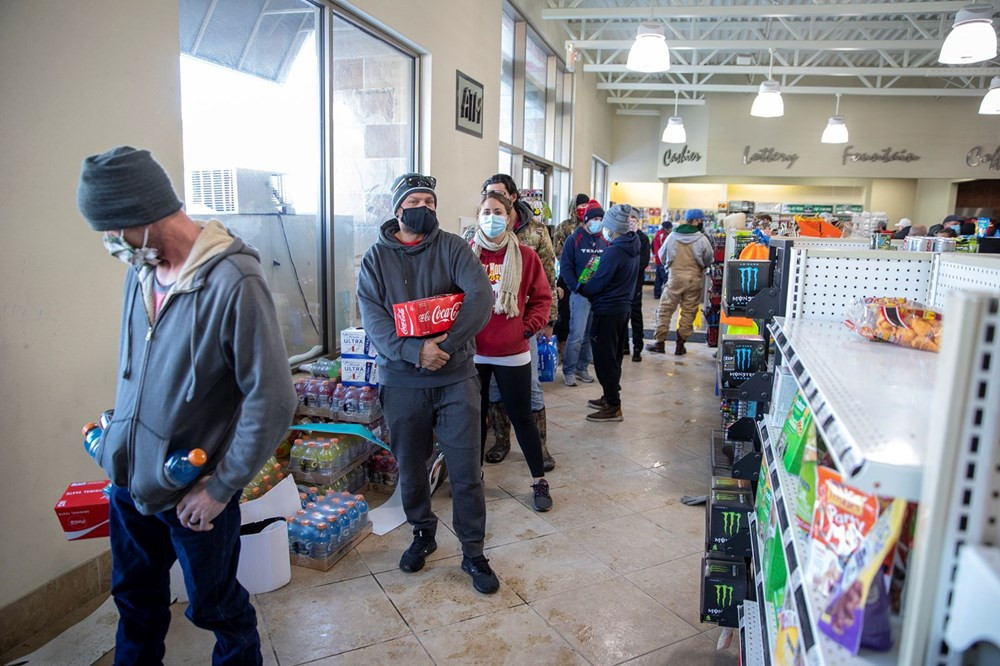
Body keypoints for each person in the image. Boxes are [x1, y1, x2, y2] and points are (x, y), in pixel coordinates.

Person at [76, 146, 297, 664]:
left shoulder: (233, 282)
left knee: (217, 608)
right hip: (130, 484)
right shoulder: (142, 271)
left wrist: (220, 488)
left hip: (191, 492)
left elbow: (272, 396)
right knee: (136, 603)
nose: (111, 244)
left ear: (143, 215)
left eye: (113, 231)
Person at [357, 173, 500, 594]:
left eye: (431, 202)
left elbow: (481, 299)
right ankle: (423, 533)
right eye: (416, 200)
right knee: (412, 468)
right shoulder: (375, 259)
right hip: (402, 382)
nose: (425, 208)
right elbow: (373, 318)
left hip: (456, 378)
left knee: (465, 471)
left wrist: (449, 344)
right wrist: (413, 352)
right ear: (398, 208)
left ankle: (473, 552)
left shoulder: (454, 248)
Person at [470, 191, 554, 511]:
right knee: (475, 418)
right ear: (478, 216)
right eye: (486, 211)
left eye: (498, 212)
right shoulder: (467, 254)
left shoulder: (526, 256)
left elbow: (541, 298)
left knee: (522, 418)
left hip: (512, 351)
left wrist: (527, 327)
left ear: (509, 217)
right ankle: (473, 478)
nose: (492, 217)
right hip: (474, 352)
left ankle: (539, 480)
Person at [577, 205, 640, 422]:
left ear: (613, 227)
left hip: (607, 310)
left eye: (605, 225)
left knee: (604, 360)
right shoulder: (633, 244)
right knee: (613, 357)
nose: (602, 229)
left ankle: (613, 406)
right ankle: (609, 396)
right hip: (622, 309)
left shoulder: (614, 251)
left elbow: (600, 282)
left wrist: (583, 288)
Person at [646, 208, 715, 356]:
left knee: (665, 309)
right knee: (688, 312)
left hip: (674, 278)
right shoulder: (702, 239)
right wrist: (701, 266)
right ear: (696, 221)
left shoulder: (672, 236)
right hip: (694, 279)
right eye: (701, 220)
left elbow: (661, 254)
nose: (702, 223)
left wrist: (668, 267)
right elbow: (709, 258)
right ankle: (680, 344)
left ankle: (660, 342)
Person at [560, 201, 609, 386]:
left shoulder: (603, 241)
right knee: (577, 334)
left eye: (600, 219)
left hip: (597, 296)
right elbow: (565, 267)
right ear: (586, 220)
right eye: (594, 219)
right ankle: (569, 370)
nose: (597, 222)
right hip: (580, 295)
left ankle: (582, 367)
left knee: (590, 334)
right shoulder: (574, 240)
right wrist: (575, 287)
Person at [623, 211, 651, 362]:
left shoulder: (643, 239)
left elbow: (644, 261)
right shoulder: (622, 237)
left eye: (634, 220)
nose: (631, 223)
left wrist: (628, 267)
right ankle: (624, 345)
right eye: (629, 220)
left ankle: (637, 347)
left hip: (636, 283)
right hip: (622, 284)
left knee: (635, 315)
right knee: (623, 315)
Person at [651, 220, 672, 300]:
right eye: (670, 228)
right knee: (665, 278)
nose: (671, 230)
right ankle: (666, 296)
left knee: (658, 278)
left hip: (658, 259)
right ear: (666, 228)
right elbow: (664, 248)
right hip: (662, 260)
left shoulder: (657, 234)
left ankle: (657, 294)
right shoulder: (663, 235)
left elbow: (652, 246)